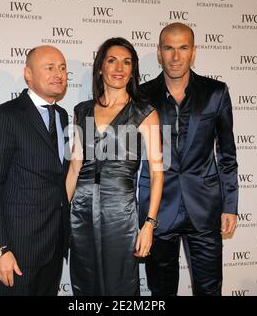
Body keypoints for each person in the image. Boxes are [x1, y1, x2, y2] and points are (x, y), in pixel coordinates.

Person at [138, 23, 238, 296]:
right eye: (169, 48)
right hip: (157, 209)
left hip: (205, 208)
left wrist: (230, 205)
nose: (175, 56)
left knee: (209, 290)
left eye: (183, 48)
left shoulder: (216, 92)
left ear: (193, 52)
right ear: (159, 53)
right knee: (161, 291)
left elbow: (227, 154)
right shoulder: (142, 95)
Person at [66, 37, 163, 296]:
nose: (119, 68)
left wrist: (149, 224)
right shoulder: (82, 110)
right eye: (112, 60)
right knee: (85, 285)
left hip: (121, 213)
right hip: (81, 214)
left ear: (133, 70)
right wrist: (61, 215)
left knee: (121, 287)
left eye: (126, 62)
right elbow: (75, 167)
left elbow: (156, 173)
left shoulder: (145, 112)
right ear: (100, 67)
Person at [0, 45, 70, 296]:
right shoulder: (5, 116)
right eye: (49, 68)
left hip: (54, 244)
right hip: (18, 250)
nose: (59, 74)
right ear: (28, 74)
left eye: (62, 68)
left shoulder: (61, 116)